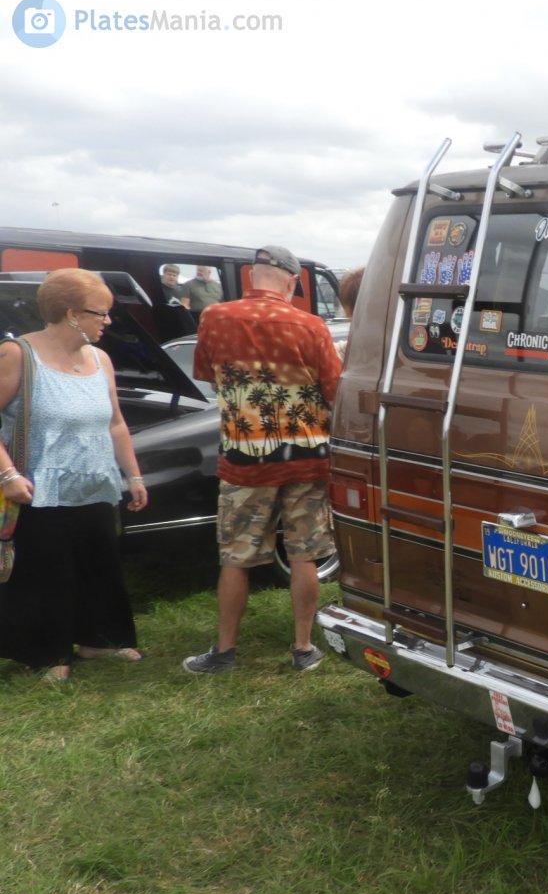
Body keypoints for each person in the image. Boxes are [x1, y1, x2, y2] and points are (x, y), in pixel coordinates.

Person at [184, 245, 341, 674]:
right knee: (305, 554)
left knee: (235, 557)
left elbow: (206, 373)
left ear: (252, 278)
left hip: (244, 460)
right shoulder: (311, 326)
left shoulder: (213, 318)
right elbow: (335, 389)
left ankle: (224, 652)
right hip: (306, 458)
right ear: (292, 282)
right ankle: (303, 648)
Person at [0, 269, 149, 682]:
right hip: (37, 488)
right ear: (70, 314)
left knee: (97, 564)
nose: (108, 321)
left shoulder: (101, 359)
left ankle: (99, 640)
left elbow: (116, 423)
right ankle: (47, 655)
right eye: (100, 313)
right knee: (47, 572)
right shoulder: (17, 354)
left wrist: (133, 477)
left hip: (95, 482)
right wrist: (7, 475)